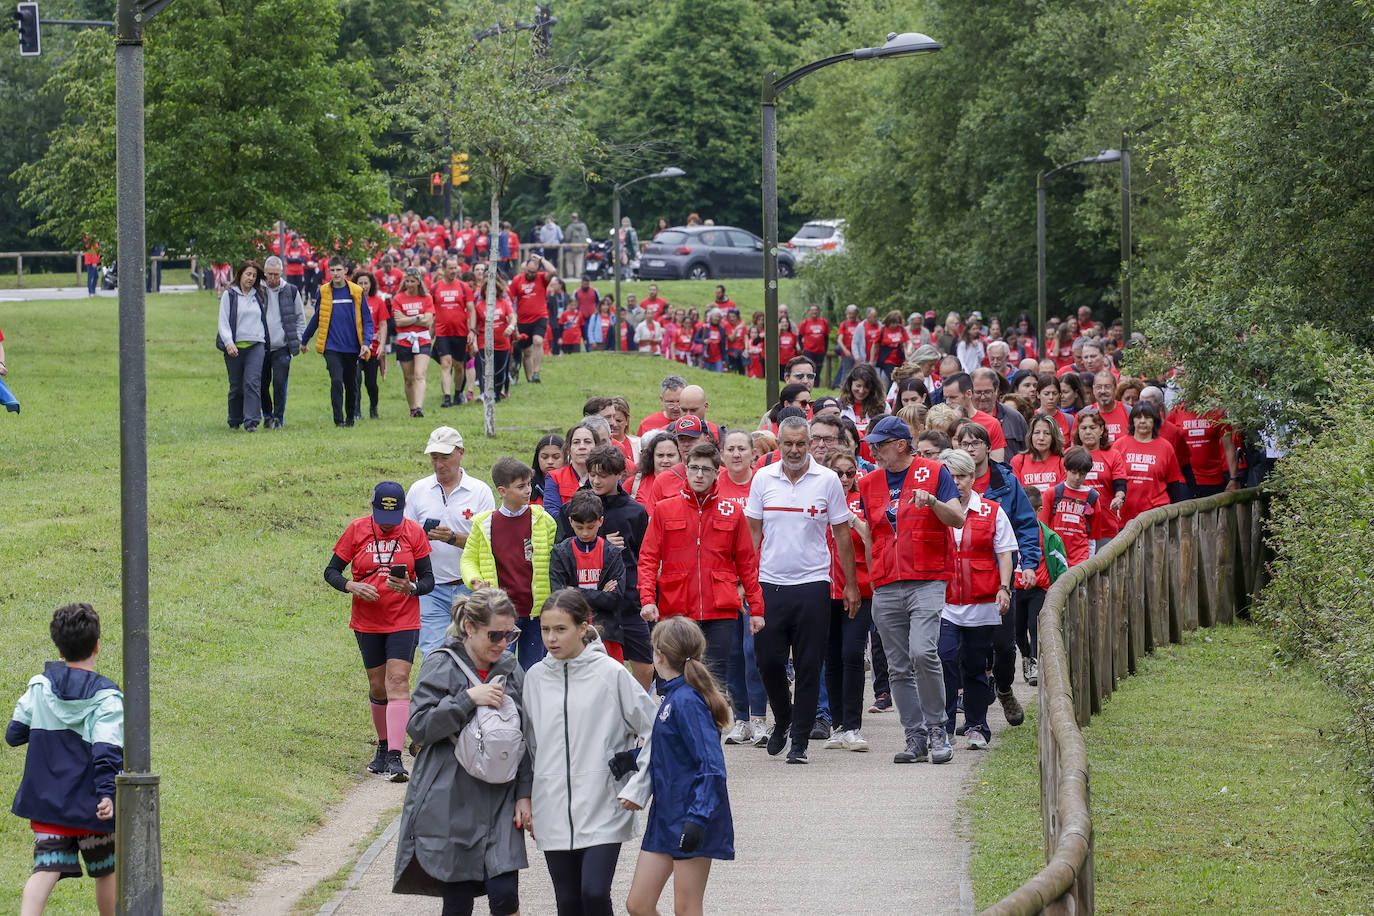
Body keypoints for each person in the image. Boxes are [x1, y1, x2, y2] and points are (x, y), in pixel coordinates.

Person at [393, 588, 532, 916]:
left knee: (505, 895)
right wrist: (468, 699)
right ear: (469, 627)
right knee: (457, 902)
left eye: (510, 634)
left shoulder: (511, 669)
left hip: (500, 798)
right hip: (450, 799)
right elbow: (418, 726)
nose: (502, 643)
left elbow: (527, 737)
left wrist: (525, 794)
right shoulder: (441, 663)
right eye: (495, 634)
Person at [524, 589, 658, 916]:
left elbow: (656, 731)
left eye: (560, 629)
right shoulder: (534, 678)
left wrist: (639, 785)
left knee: (594, 893)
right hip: (552, 804)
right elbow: (528, 747)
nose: (551, 638)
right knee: (568, 902)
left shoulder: (611, 673)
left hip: (604, 803)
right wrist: (525, 796)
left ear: (584, 627)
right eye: (545, 630)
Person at [744, 416, 860, 764]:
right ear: (778, 444)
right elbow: (751, 535)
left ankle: (800, 742)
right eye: (787, 444)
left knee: (810, 665)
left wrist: (851, 584)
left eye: (800, 444)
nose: (794, 451)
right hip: (769, 584)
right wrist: (746, 582)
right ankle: (783, 717)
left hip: (813, 585)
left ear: (810, 444)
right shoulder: (763, 478)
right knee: (767, 660)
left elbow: (842, 534)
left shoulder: (827, 480)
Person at [854, 416, 964, 765]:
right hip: (886, 583)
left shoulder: (933, 472)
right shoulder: (869, 483)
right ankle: (914, 735)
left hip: (927, 578)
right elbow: (872, 533)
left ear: (900, 444)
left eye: (879, 444)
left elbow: (958, 519)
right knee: (898, 666)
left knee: (922, 652)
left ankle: (937, 729)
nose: (872, 450)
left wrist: (933, 502)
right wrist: (872, 573)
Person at [6, 603, 122, 916]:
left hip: (48, 804)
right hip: (92, 807)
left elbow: (14, 733)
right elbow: (107, 750)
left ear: (58, 649)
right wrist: (107, 794)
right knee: (106, 869)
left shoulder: (39, 686)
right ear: (98, 645)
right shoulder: (107, 696)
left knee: (44, 869)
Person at [621, 616, 734, 916]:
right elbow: (670, 752)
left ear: (658, 654)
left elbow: (712, 766)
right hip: (666, 815)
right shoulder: (672, 697)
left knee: (686, 909)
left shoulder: (687, 701)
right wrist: (629, 761)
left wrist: (697, 819)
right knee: (639, 904)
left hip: (693, 815)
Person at [324, 482, 435, 782]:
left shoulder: (413, 532)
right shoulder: (357, 529)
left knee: (397, 681)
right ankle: (383, 748)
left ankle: (396, 758)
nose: (388, 524)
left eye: (393, 518)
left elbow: (428, 581)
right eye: (382, 517)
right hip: (367, 621)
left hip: (403, 619)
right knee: (378, 687)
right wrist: (351, 585)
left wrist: (411, 587)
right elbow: (331, 572)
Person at [639, 441, 765, 684]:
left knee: (713, 682)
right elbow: (648, 559)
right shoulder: (664, 510)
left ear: (717, 472)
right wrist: (646, 599)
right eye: (694, 468)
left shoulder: (732, 511)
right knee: (673, 680)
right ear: (685, 469)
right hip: (676, 608)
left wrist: (756, 610)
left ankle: (711, 722)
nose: (699, 474)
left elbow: (747, 564)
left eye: (706, 469)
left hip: (720, 611)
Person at [953, 420, 1041, 726]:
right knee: (965, 647)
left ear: (988, 448)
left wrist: (1028, 563)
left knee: (1004, 644)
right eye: (963, 443)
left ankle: (1004, 688)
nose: (969, 448)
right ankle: (972, 710)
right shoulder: (947, 481)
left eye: (975, 443)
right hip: (961, 578)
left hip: (999, 575)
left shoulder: (1005, 481)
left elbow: (1027, 525)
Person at [937, 447, 1016, 750]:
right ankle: (943, 725)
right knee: (944, 659)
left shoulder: (992, 511)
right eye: (950, 476)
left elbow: (1005, 551)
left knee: (975, 665)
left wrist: (1004, 587)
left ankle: (976, 725)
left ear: (972, 477)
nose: (956, 482)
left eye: (962, 476)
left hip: (981, 602)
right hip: (944, 602)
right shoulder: (937, 510)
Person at [558, 446, 655, 689]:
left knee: (645, 666)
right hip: (590, 604)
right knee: (596, 669)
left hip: (629, 600)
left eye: (603, 475)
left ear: (620, 474)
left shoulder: (635, 511)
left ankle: (633, 715)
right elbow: (560, 549)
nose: (596, 480)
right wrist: (601, 544)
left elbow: (644, 556)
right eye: (592, 474)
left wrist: (646, 595)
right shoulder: (574, 507)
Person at [406, 426, 495, 656]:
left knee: (473, 653)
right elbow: (405, 539)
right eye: (434, 458)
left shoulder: (480, 492)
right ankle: (435, 693)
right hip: (431, 587)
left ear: (460, 453)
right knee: (432, 653)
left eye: (445, 457)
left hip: (470, 587)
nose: (439, 464)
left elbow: (488, 544)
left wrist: (453, 538)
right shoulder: (418, 490)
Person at [462, 459, 558, 670]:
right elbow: (469, 558)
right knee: (497, 668)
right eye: (521, 486)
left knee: (532, 670)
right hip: (500, 612)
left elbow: (555, 560)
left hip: (535, 612)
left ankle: (526, 705)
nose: (528, 491)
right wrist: (474, 580)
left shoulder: (544, 520)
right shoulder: (484, 524)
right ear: (502, 490)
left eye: (529, 484)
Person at [821, 449, 874, 752]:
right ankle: (838, 725)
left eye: (849, 473)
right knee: (831, 657)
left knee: (852, 653)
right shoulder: (819, 499)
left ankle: (852, 725)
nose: (843, 479)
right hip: (823, 590)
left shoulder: (861, 502)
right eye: (838, 473)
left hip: (859, 590)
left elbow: (872, 538)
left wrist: (852, 519)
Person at [301, 257, 374, 428]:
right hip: (331, 346)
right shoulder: (324, 291)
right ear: (328, 271)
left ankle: (350, 418)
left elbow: (367, 320)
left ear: (345, 271)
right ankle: (338, 419)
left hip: (352, 346)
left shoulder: (356, 291)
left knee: (351, 383)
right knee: (336, 380)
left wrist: (366, 342)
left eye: (338, 270)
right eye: (332, 270)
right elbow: (318, 317)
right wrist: (305, 339)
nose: (335, 274)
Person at [1110, 401, 1184, 523]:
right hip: (1125, 517)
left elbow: (1174, 486)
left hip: (1157, 516)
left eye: (1147, 417)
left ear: (1155, 421)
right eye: (1138, 417)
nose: (1142, 421)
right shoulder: (1119, 445)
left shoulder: (1166, 447)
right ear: (1132, 421)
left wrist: (1174, 517)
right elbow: (1111, 479)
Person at [217, 260, 268, 432]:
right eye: (248, 274)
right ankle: (235, 418)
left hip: (256, 344)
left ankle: (252, 421)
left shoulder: (258, 295)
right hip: (235, 346)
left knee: (252, 382)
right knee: (237, 386)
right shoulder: (230, 295)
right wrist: (229, 342)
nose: (251, 278)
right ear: (240, 275)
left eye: (254, 275)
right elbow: (223, 322)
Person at [258, 256, 307, 429]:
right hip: (261, 346)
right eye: (269, 274)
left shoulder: (291, 291)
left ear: (281, 273)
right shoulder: (257, 290)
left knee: (279, 382)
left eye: (276, 275)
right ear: (264, 273)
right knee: (262, 383)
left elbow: (300, 317)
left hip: (282, 346)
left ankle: (278, 417)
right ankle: (267, 414)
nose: (272, 278)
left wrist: (299, 338)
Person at [1073, 407, 1127, 550]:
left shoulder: (1113, 454)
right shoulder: (1070, 454)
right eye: (1083, 428)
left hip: (1106, 523)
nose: (1088, 432)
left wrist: (1119, 498)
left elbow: (1120, 484)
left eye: (1093, 427)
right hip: (1077, 526)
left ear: (1101, 429)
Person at [1043, 447, 1104, 567]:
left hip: (1080, 558)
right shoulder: (1053, 494)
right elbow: (1043, 529)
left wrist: (1089, 563)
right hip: (1055, 557)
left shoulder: (1091, 498)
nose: (1077, 478)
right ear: (1065, 469)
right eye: (1074, 472)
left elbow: (1092, 536)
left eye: (1082, 474)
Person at [392, 268, 437, 417]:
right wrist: (417, 317)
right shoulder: (398, 298)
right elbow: (398, 321)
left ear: (418, 282)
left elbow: (428, 321)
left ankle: (418, 408)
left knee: (419, 374)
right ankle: (412, 409)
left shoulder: (427, 298)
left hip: (422, 339)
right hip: (404, 340)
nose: (409, 284)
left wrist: (408, 319)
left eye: (412, 281)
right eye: (407, 281)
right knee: (409, 378)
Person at [508, 254, 557, 383]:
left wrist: (542, 259)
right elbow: (509, 299)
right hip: (523, 320)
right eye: (528, 271)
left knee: (538, 340)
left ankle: (536, 372)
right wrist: (512, 317)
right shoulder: (517, 280)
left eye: (533, 272)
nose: (530, 274)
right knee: (527, 351)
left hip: (539, 316)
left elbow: (552, 271)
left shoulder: (542, 278)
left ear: (538, 270)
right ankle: (530, 379)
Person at [940, 373, 1009, 462]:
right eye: (946, 398)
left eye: (953, 397)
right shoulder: (942, 422)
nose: (948, 402)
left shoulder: (991, 423)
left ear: (968, 394)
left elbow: (998, 463)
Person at [430, 258, 470, 409]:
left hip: (460, 332)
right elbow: (431, 311)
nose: (454, 271)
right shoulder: (435, 288)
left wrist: (471, 330)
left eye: (455, 268)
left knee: (459, 366)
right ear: (444, 269)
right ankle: (447, 397)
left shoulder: (463, 287)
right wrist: (431, 331)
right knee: (446, 364)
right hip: (442, 332)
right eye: (451, 268)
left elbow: (470, 309)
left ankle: (458, 393)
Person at [470, 274, 518, 401]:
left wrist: (511, 327)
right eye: (487, 289)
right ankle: (485, 393)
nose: (490, 292)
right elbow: (474, 326)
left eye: (493, 289)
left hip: (502, 342)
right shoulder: (479, 306)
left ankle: (497, 393)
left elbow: (512, 317)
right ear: (484, 291)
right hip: (484, 342)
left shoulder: (504, 303)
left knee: (500, 370)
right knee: (486, 369)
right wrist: (473, 343)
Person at [544, 420, 600, 522]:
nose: (582, 446)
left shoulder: (607, 476)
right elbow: (551, 514)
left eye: (587, 442)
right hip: (565, 535)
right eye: (576, 442)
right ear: (568, 449)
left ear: (596, 447)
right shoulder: (554, 477)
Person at [352, 271, 387, 421]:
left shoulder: (378, 301)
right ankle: (356, 411)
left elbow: (383, 324)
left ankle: (374, 407)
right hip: (355, 347)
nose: (364, 286)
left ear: (371, 284)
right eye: (361, 283)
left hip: (373, 348)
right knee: (356, 380)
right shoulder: (352, 300)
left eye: (366, 283)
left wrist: (382, 344)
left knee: (371, 383)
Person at [972, 367, 1028, 458]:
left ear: (996, 391)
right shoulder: (962, 418)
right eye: (978, 392)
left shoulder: (1015, 418)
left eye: (987, 392)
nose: (982, 397)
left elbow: (1026, 454)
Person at [1010, 413, 1066, 494]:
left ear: (1053, 437)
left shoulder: (1062, 462)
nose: (1041, 438)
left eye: (1047, 433)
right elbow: (1016, 495)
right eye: (1037, 432)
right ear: (1030, 435)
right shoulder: (1018, 461)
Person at [530, 434, 565, 507]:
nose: (550, 461)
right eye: (544, 457)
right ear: (537, 458)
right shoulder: (527, 485)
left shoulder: (574, 483)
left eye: (556, 457)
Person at [798, 305, 830, 376]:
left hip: (820, 351)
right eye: (812, 310)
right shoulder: (805, 322)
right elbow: (799, 337)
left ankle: (817, 385)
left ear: (818, 311)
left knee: (818, 370)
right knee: (809, 369)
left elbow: (826, 337)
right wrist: (802, 348)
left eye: (815, 310)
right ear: (809, 312)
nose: (814, 312)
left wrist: (825, 350)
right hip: (808, 350)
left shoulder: (824, 322)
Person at [564, 212, 589, 278]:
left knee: (569, 262)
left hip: (571, 247)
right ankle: (578, 276)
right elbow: (587, 236)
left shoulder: (570, 226)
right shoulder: (584, 226)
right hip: (581, 247)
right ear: (577, 218)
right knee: (579, 262)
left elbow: (567, 238)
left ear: (571, 218)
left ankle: (570, 276)